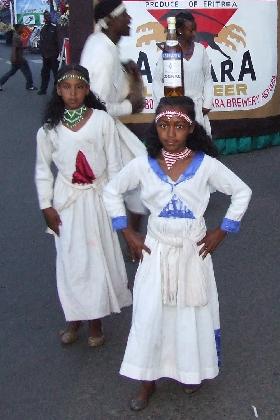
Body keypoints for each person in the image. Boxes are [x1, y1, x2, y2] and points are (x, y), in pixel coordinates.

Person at [103, 96, 252, 411]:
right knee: (149, 314)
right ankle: (147, 381)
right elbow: (111, 190)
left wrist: (221, 230)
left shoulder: (206, 165)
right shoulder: (143, 164)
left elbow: (241, 191)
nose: (171, 134)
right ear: (155, 128)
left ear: (191, 129)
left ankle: (190, 371)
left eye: (179, 127)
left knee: (190, 313)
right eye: (164, 125)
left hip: (192, 252)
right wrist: (127, 231)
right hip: (155, 251)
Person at [35, 64, 132, 346]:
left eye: (79, 88)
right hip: (67, 202)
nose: (73, 93)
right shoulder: (48, 130)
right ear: (58, 91)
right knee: (71, 262)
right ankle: (73, 318)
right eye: (67, 87)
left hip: (98, 198)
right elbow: (43, 170)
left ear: (87, 90)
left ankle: (95, 324)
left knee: (96, 259)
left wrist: (116, 204)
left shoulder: (102, 121)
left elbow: (114, 165)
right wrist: (46, 206)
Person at [80, 0, 147, 226]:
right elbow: (93, 106)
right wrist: (130, 105)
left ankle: (131, 236)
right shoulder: (103, 52)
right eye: (124, 15)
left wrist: (133, 79)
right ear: (109, 21)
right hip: (97, 131)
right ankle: (129, 236)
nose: (129, 19)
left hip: (106, 126)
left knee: (139, 174)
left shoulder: (104, 44)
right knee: (131, 178)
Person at [153, 12, 213, 135]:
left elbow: (208, 78)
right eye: (191, 30)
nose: (194, 33)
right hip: (176, 110)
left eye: (195, 30)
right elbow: (157, 80)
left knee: (198, 148)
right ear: (179, 30)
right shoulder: (170, 51)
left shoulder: (200, 50)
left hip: (197, 109)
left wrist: (207, 103)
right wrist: (165, 105)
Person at [0, 24, 37, 91]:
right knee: (27, 72)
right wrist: (14, 57)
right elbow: (14, 47)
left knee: (11, 72)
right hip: (19, 59)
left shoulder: (17, 35)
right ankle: (29, 86)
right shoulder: (16, 37)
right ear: (18, 29)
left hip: (18, 58)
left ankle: (0, 83)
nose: (23, 29)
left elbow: (20, 46)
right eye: (22, 28)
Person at [37, 10, 59, 95]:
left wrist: (59, 53)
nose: (47, 17)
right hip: (45, 56)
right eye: (45, 16)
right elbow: (42, 42)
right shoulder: (43, 28)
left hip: (53, 55)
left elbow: (58, 41)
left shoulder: (55, 27)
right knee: (44, 74)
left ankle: (56, 91)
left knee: (56, 74)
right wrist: (42, 52)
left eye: (48, 16)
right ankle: (43, 89)